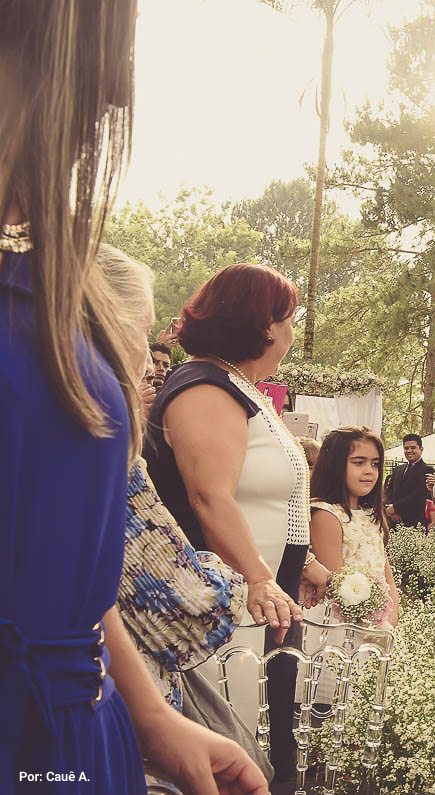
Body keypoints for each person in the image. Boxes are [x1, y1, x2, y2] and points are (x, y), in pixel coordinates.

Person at [0, 3, 268, 791]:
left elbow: (73, 556)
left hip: (85, 726)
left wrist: (149, 713)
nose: (118, 88)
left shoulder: (56, 267)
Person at [144, 263, 330, 790]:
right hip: (223, 612)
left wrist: (300, 564)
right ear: (262, 325)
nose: (292, 333)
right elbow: (210, 494)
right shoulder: (205, 386)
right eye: (289, 319)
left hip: (259, 605)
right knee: (228, 752)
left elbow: (271, 494)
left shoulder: (237, 385)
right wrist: (259, 575)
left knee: (259, 741)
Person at [100, 244, 247, 716]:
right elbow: (188, 609)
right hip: (106, 704)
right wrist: (239, 578)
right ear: (109, 327)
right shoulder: (99, 446)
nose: (150, 360)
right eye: (144, 331)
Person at [309, 428, 400, 629]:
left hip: (377, 622)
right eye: (359, 462)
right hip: (340, 622)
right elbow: (335, 581)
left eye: (375, 464)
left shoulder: (371, 513)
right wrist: (372, 622)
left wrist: (390, 617)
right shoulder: (326, 513)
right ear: (334, 465)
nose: (369, 470)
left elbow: (387, 574)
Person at [385, 433, 435, 528]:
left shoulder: (427, 470)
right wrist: (391, 511)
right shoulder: (398, 469)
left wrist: (395, 508)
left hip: (414, 523)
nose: (409, 451)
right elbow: (388, 492)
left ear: (421, 449)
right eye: (406, 448)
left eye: (413, 448)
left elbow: (418, 496)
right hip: (393, 522)